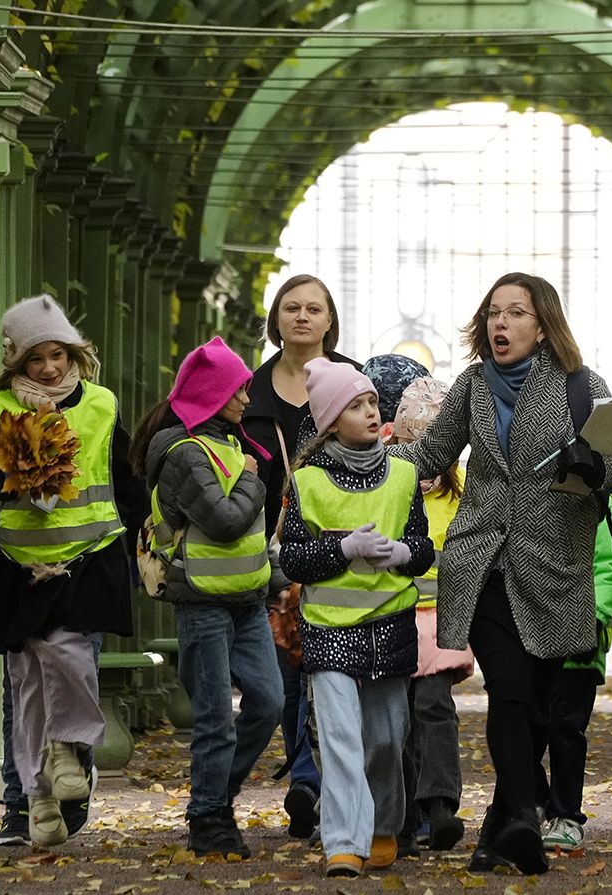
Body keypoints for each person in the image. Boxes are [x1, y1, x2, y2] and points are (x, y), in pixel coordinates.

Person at [388, 272, 612, 876]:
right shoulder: (473, 386)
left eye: (515, 313)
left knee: (538, 709)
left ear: (542, 323)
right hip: (481, 565)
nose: (500, 324)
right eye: (493, 314)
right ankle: (527, 814)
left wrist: (595, 467)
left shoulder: (583, 389)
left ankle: (497, 832)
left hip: (555, 569)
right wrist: (359, 460)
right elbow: (429, 455)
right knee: (508, 692)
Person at [0, 294, 140, 848]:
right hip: (17, 564)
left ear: (74, 353)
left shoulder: (102, 403)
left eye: (58, 354)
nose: (50, 368)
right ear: (17, 363)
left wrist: (135, 543)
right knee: (24, 686)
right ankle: (30, 802)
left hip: (89, 559)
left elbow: (121, 478)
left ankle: (68, 754)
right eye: (36, 359)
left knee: (73, 662)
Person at [278, 359, 436, 878]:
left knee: (388, 738)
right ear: (329, 424)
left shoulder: (406, 475)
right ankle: (343, 840)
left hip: (390, 627)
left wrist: (400, 554)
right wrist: (343, 547)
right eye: (356, 406)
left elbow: (422, 549)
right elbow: (294, 559)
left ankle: (385, 825)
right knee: (340, 739)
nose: (371, 412)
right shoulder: (305, 483)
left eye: (372, 403)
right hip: (328, 632)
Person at [135, 336, 281, 858]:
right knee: (215, 716)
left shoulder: (229, 446)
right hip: (201, 601)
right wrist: (252, 483)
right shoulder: (184, 453)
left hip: (246, 598)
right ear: (216, 394)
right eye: (240, 389)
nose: (248, 398)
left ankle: (217, 796)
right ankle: (208, 818)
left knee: (269, 701)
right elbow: (223, 521)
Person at [240, 275, 360, 839]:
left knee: (335, 669)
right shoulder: (249, 393)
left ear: (330, 320)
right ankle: (305, 781)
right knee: (288, 671)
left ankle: (326, 780)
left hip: (343, 546)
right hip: (271, 550)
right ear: (277, 319)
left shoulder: (353, 383)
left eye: (314, 308)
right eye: (292, 307)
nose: (303, 317)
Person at [390, 376, 475, 853]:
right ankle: (403, 816)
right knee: (397, 717)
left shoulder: (462, 493)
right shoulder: (389, 485)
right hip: (393, 618)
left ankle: (440, 805)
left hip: (442, 622)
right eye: (410, 442)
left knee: (434, 708)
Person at [535, 494, 612, 856]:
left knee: (565, 730)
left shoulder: (596, 500)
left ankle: (566, 814)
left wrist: (591, 621)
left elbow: (608, 567)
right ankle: (534, 803)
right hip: (531, 637)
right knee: (522, 725)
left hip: (579, 646)